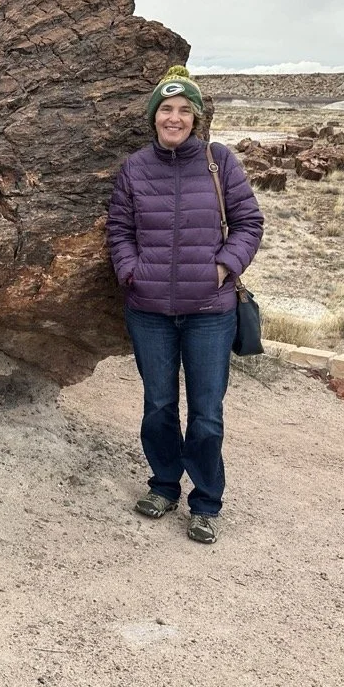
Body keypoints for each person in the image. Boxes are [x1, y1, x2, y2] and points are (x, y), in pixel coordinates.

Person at [105, 66, 264, 544]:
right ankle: (164, 486)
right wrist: (131, 272)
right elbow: (119, 230)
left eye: (183, 111)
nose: (174, 118)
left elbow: (249, 223)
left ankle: (206, 502)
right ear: (154, 117)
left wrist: (223, 268)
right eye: (166, 110)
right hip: (149, 309)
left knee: (207, 412)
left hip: (211, 312)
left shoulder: (220, 162)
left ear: (195, 118)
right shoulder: (135, 168)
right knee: (158, 405)